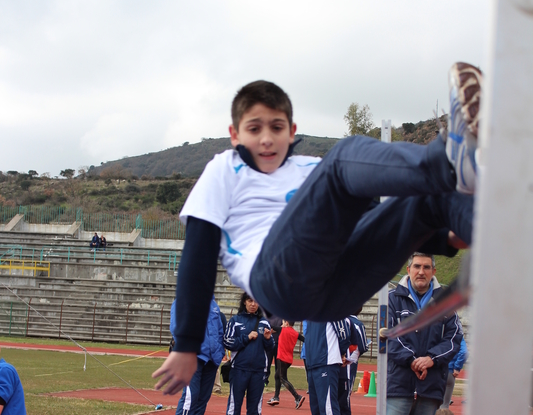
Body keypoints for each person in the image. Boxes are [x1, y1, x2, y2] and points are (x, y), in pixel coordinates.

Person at [153, 63, 479, 397]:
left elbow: (375, 220)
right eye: (254, 128)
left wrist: (446, 239)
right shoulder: (225, 168)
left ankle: (478, 221)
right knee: (344, 156)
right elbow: (198, 252)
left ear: (291, 131)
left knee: (423, 202)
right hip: (277, 281)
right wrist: (187, 344)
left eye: (276, 127)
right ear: (235, 134)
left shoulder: (311, 169)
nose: (266, 138)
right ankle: (449, 162)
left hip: (339, 294)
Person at [384, 252, 463, 415]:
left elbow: (453, 339)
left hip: (429, 383)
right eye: (417, 266)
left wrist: (430, 359)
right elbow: (390, 336)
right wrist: (413, 360)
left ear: (433, 271)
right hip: (400, 382)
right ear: (408, 269)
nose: (421, 271)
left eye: (426, 267)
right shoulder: (394, 298)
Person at [223, 293, 274, 415]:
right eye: (250, 301)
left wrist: (268, 339)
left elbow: (270, 347)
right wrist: (246, 337)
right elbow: (227, 342)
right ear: (244, 302)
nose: (253, 304)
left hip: (258, 372)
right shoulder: (235, 321)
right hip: (239, 370)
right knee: (234, 407)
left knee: (255, 410)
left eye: (256, 301)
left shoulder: (264, 322)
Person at [173, 297, 225, 415]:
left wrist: (219, 350)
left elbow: (219, 330)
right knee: (191, 397)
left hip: (212, 360)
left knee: (203, 400)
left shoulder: (213, 304)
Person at [305, 320, 350, 415]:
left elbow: (344, 334)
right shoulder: (309, 312)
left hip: (326, 363)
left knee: (328, 409)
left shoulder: (331, 307)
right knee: (316, 412)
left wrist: (341, 352)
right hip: (312, 364)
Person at [338, 314, 369, 415]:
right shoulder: (356, 323)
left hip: (339, 361)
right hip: (348, 362)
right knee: (345, 393)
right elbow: (362, 346)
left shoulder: (343, 321)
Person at [267, 320, 305, 408]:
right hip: (289, 359)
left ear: (287, 323)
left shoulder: (282, 330)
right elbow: (304, 340)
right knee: (277, 376)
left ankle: (297, 397)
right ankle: (276, 397)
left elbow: (270, 326)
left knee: (282, 378)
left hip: (281, 358)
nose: (282, 324)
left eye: (283, 322)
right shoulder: (295, 333)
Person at [441, 336, 468, 408]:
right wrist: (457, 367)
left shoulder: (438, 331)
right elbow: (464, 352)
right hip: (449, 370)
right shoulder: (457, 335)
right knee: (444, 406)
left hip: (435, 369)